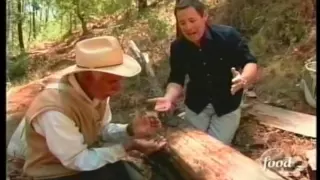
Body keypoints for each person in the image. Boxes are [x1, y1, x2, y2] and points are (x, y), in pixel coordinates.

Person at [20, 36, 166, 180]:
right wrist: (128, 146)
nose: (119, 88)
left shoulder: (96, 92)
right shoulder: (55, 110)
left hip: (87, 165)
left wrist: (129, 129)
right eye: (112, 82)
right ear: (88, 77)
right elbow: (77, 160)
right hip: (56, 174)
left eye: (120, 80)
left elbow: (99, 131)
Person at [148, 0, 258, 145]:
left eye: (192, 20)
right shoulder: (178, 47)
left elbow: (249, 62)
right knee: (192, 146)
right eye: (182, 23)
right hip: (197, 105)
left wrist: (244, 78)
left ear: (204, 16)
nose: (188, 27)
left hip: (227, 105)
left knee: (216, 148)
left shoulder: (227, 36)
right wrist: (168, 98)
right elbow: (176, 78)